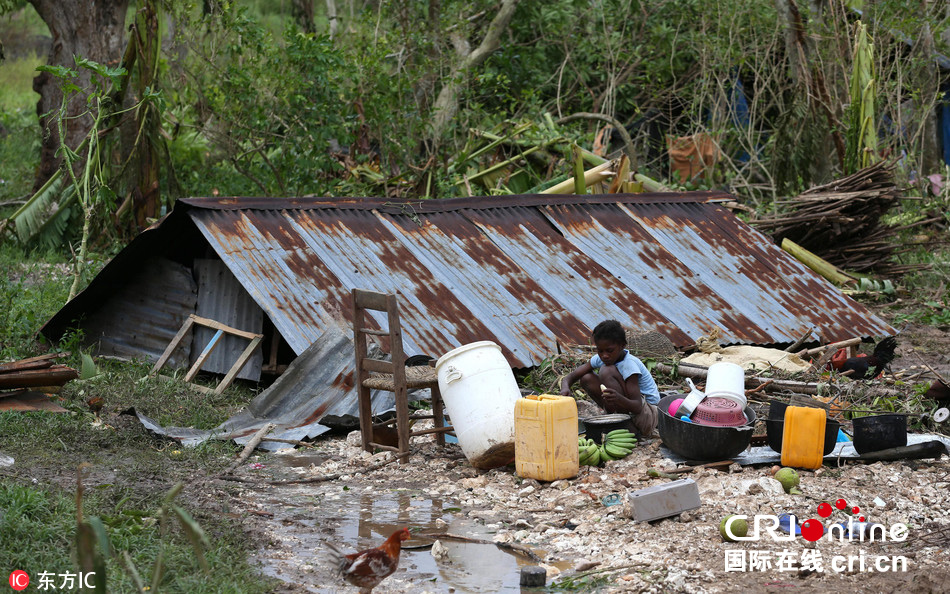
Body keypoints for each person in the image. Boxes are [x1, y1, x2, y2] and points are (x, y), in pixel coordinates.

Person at [560, 320, 660, 437]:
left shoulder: (629, 365)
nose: (604, 355)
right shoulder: (602, 357)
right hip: (629, 406)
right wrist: (565, 387)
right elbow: (572, 376)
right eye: (600, 350)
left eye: (609, 350)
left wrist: (618, 398)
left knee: (606, 370)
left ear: (622, 345)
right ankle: (614, 419)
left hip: (648, 415)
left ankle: (629, 427)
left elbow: (637, 407)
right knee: (586, 378)